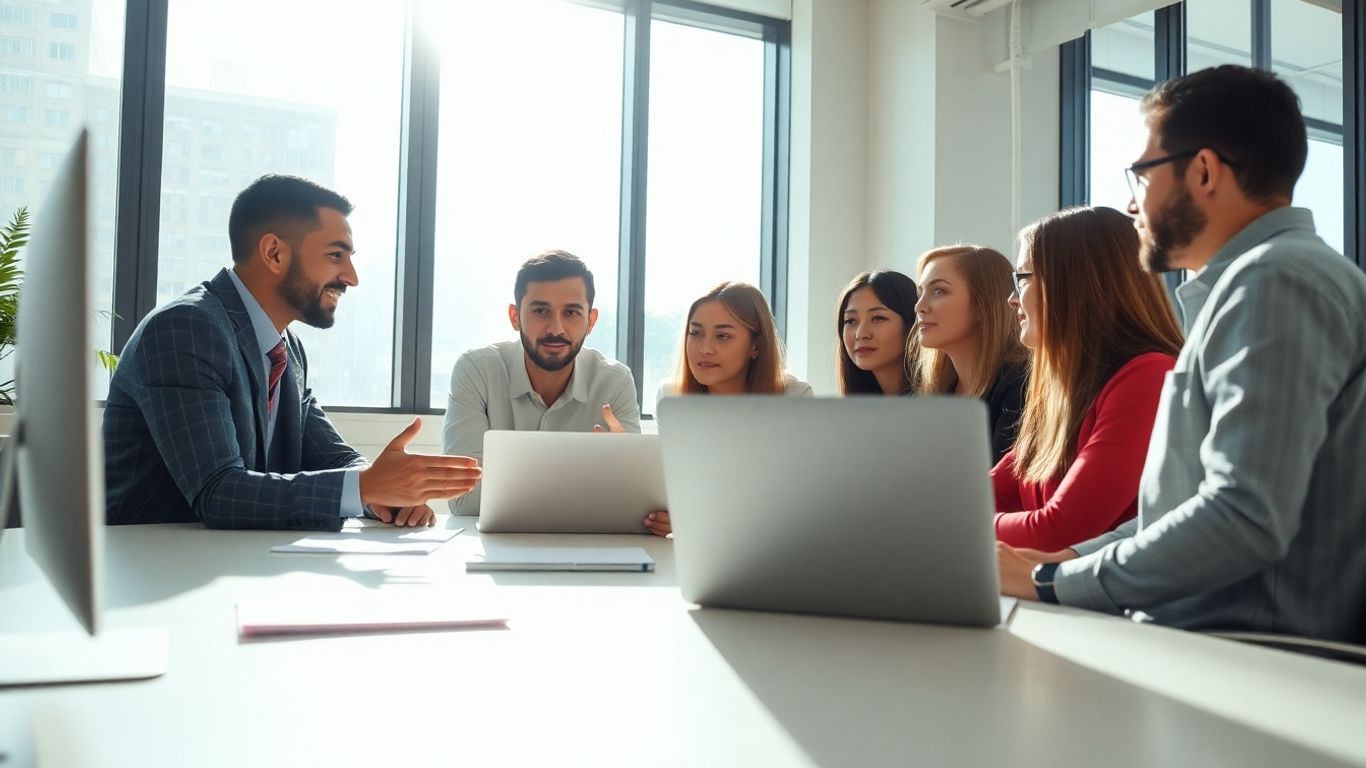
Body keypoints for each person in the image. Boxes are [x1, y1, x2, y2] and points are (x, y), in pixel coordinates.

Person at [998, 65, 1366, 645]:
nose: (1131, 200)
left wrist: (1051, 580)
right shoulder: (1257, 284)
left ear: (1203, 172)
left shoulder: (1276, 281)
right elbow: (1175, 517)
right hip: (1210, 639)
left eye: (1142, 173)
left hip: (1247, 655)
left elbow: (1242, 517)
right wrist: (1055, 563)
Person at [105, 175, 480, 530]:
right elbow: (218, 492)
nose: (352, 277)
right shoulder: (186, 329)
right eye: (337, 255)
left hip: (225, 563)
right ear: (274, 253)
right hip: (147, 572)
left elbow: (331, 457)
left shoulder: (285, 348)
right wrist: (366, 487)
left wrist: (382, 493)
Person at [992, 206, 1183, 551]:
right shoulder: (1060, 392)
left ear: (1074, 282)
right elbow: (982, 496)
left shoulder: (1150, 377)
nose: (1011, 299)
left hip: (1111, 603)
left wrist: (958, 523)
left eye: (1021, 279)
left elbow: (1058, 531)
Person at [443, 250, 641, 515]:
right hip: (495, 548)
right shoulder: (476, 371)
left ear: (591, 321)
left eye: (571, 312)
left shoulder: (615, 382)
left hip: (588, 549)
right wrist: (594, 485)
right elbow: (462, 498)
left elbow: (632, 501)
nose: (556, 328)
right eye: (540, 311)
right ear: (515, 317)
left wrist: (623, 485)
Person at [649, 281, 811, 536]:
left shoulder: (793, 397)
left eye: (722, 336)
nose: (705, 348)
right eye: (696, 333)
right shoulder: (670, 396)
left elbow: (793, 503)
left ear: (755, 346)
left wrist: (698, 519)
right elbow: (672, 489)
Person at [912, 245, 1028, 464]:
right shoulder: (939, 391)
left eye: (938, 291)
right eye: (920, 293)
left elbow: (996, 489)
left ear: (984, 304)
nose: (919, 306)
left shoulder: (1020, 385)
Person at [837, 270, 919, 395]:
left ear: (911, 324)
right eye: (851, 321)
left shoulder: (940, 401)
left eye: (878, 318)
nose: (860, 334)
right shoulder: (856, 409)